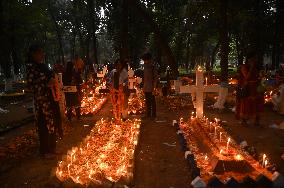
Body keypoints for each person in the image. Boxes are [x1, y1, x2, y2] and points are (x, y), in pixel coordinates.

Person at [26, 44, 57, 158]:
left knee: (51, 123)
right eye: (39, 53)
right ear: (33, 54)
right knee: (43, 125)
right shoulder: (31, 67)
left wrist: (53, 80)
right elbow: (31, 85)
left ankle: (52, 148)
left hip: (49, 99)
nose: (42, 55)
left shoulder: (43, 66)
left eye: (42, 52)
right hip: (41, 102)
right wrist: (45, 84)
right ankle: (45, 151)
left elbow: (50, 76)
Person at [235, 52, 263, 126]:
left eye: (256, 59)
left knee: (257, 103)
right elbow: (247, 77)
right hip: (248, 88)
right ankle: (244, 120)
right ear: (249, 59)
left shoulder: (256, 67)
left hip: (255, 87)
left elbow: (257, 76)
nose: (255, 60)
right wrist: (251, 67)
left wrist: (260, 77)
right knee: (246, 103)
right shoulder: (244, 67)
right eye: (254, 58)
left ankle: (257, 120)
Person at [141, 53, 158, 120]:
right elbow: (144, 77)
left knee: (152, 101)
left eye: (146, 60)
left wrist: (154, 87)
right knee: (147, 101)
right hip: (146, 86)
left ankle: (153, 115)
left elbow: (155, 78)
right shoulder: (145, 67)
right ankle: (148, 114)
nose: (145, 62)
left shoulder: (152, 67)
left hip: (151, 86)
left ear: (149, 60)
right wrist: (143, 86)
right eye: (144, 60)